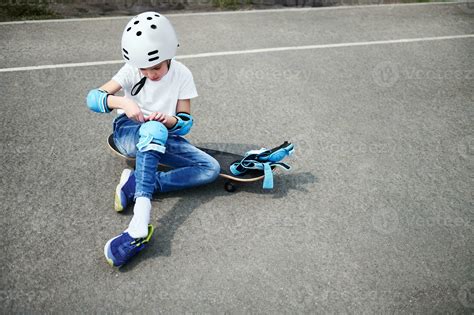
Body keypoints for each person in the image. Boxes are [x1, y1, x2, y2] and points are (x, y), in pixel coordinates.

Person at [86, 12, 220, 267]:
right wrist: (123, 101)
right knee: (152, 132)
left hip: (163, 132)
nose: (150, 73)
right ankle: (138, 226)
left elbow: (185, 123)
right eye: (144, 69)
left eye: (156, 67)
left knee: (210, 169)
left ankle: (136, 183)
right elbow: (92, 99)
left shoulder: (182, 74)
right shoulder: (130, 70)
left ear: (169, 55)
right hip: (129, 131)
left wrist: (168, 121)